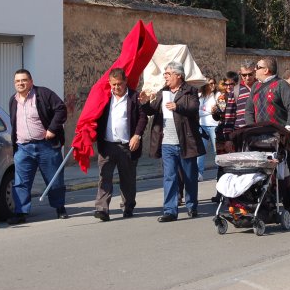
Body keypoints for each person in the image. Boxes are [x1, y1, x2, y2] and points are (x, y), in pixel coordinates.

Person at [139, 61, 205, 222]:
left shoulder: (190, 91)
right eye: (165, 74)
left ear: (178, 75)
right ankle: (170, 210)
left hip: (185, 141)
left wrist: (177, 107)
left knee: (189, 176)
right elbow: (153, 110)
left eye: (168, 74)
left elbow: (193, 109)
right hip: (167, 142)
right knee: (169, 176)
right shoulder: (163, 92)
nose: (165, 77)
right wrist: (144, 103)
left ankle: (191, 205)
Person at [8, 69, 68, 224]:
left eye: (24, 80)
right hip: (23, 148)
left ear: (31, 81)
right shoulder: (13, 100)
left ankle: (60, 207)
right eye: (17, 81)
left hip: (46, 146)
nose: (20, 83)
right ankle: (21, 212)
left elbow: (61, 109)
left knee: (54, 180)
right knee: (21, 182)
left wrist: (52, 129)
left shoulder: (43, 94)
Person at [245, 56, 290, 213]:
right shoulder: (255, 86)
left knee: (282, 173)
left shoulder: (281, 85)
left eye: (257, 67)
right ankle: (266, 205)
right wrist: (250, 128)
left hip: (277, 137)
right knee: (261, 173)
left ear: (266, 70)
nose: (255, 69)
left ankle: (287, 204)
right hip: (258, 137)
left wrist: (288, 127)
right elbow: (249, 110)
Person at [93, 68, 148, 221]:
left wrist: (137, 135)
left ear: (125, 82)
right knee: (105, 177)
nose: (116, 88)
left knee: (128, 179)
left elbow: (143, 118)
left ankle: (128, 205)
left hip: (127, 146)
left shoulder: (134, 97)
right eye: (113, 84)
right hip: (107, 145)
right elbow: (93, 115)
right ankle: (102, 208)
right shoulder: (104, 98)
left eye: (119, 84)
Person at [210, 72, 238, 203]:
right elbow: (219, 116)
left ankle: (235, 191)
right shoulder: (222, 97)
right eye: (226, 84)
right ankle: (220, 192)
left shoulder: (239, 95)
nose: (228, 86)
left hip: (236, 131)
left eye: (231, 84)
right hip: (222, 132)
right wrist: (215, 112)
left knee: (236, 162)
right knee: (222, 162)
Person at [197, 77, 219, 181]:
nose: (213, 85)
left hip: (214, 126)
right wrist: (209, 111)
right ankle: (199, 174)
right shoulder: (200, 97)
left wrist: (204, 111)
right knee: (201, 151)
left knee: (217, 151)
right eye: (210, 83)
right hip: (202, 126)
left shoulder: (217, 95)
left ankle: (220, 172)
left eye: (214, 83)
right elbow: (197, 112)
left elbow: (217, 111)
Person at [234, 60, 257, 130]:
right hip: (241, 129)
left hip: (258, 129)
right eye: (244, 75)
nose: (247, 77)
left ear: (255, 72)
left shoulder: (261, 86)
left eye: (250, 74)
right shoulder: (236, 90)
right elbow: (230, 115)